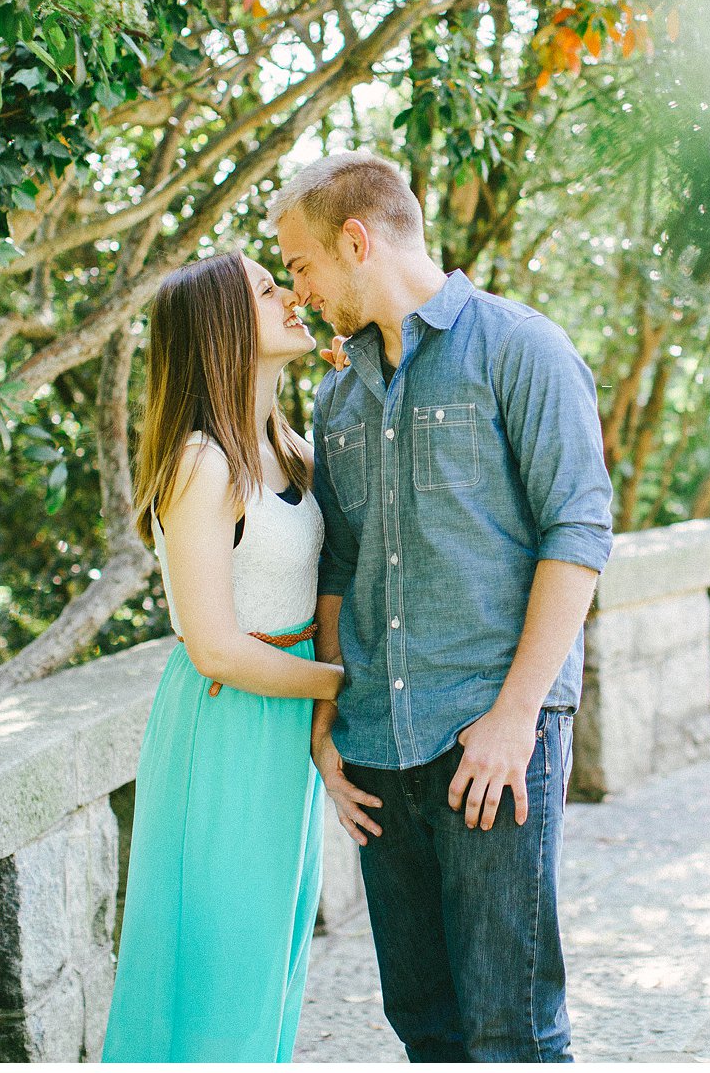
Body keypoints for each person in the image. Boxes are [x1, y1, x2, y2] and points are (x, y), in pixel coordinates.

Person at [268, 150, 615, 1063]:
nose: (296, 291)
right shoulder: (339, 393)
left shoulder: (520, 347)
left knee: (513, 1029)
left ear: (354, 241)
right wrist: (330, 725)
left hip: (490, 740)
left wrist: (515, 718)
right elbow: (338, 564)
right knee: (426, 1029)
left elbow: (578, 534)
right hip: (379, 750)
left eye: (299, 265)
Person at [101, 251, 344, 1062]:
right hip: (228, 728)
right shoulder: (201, 464)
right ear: (223, 328)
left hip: (288, 730)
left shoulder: (290, 448)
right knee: (214, 980)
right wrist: (345, 685)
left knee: (269, 969)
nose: (292, 297)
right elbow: (213, 648)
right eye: (267, 292)